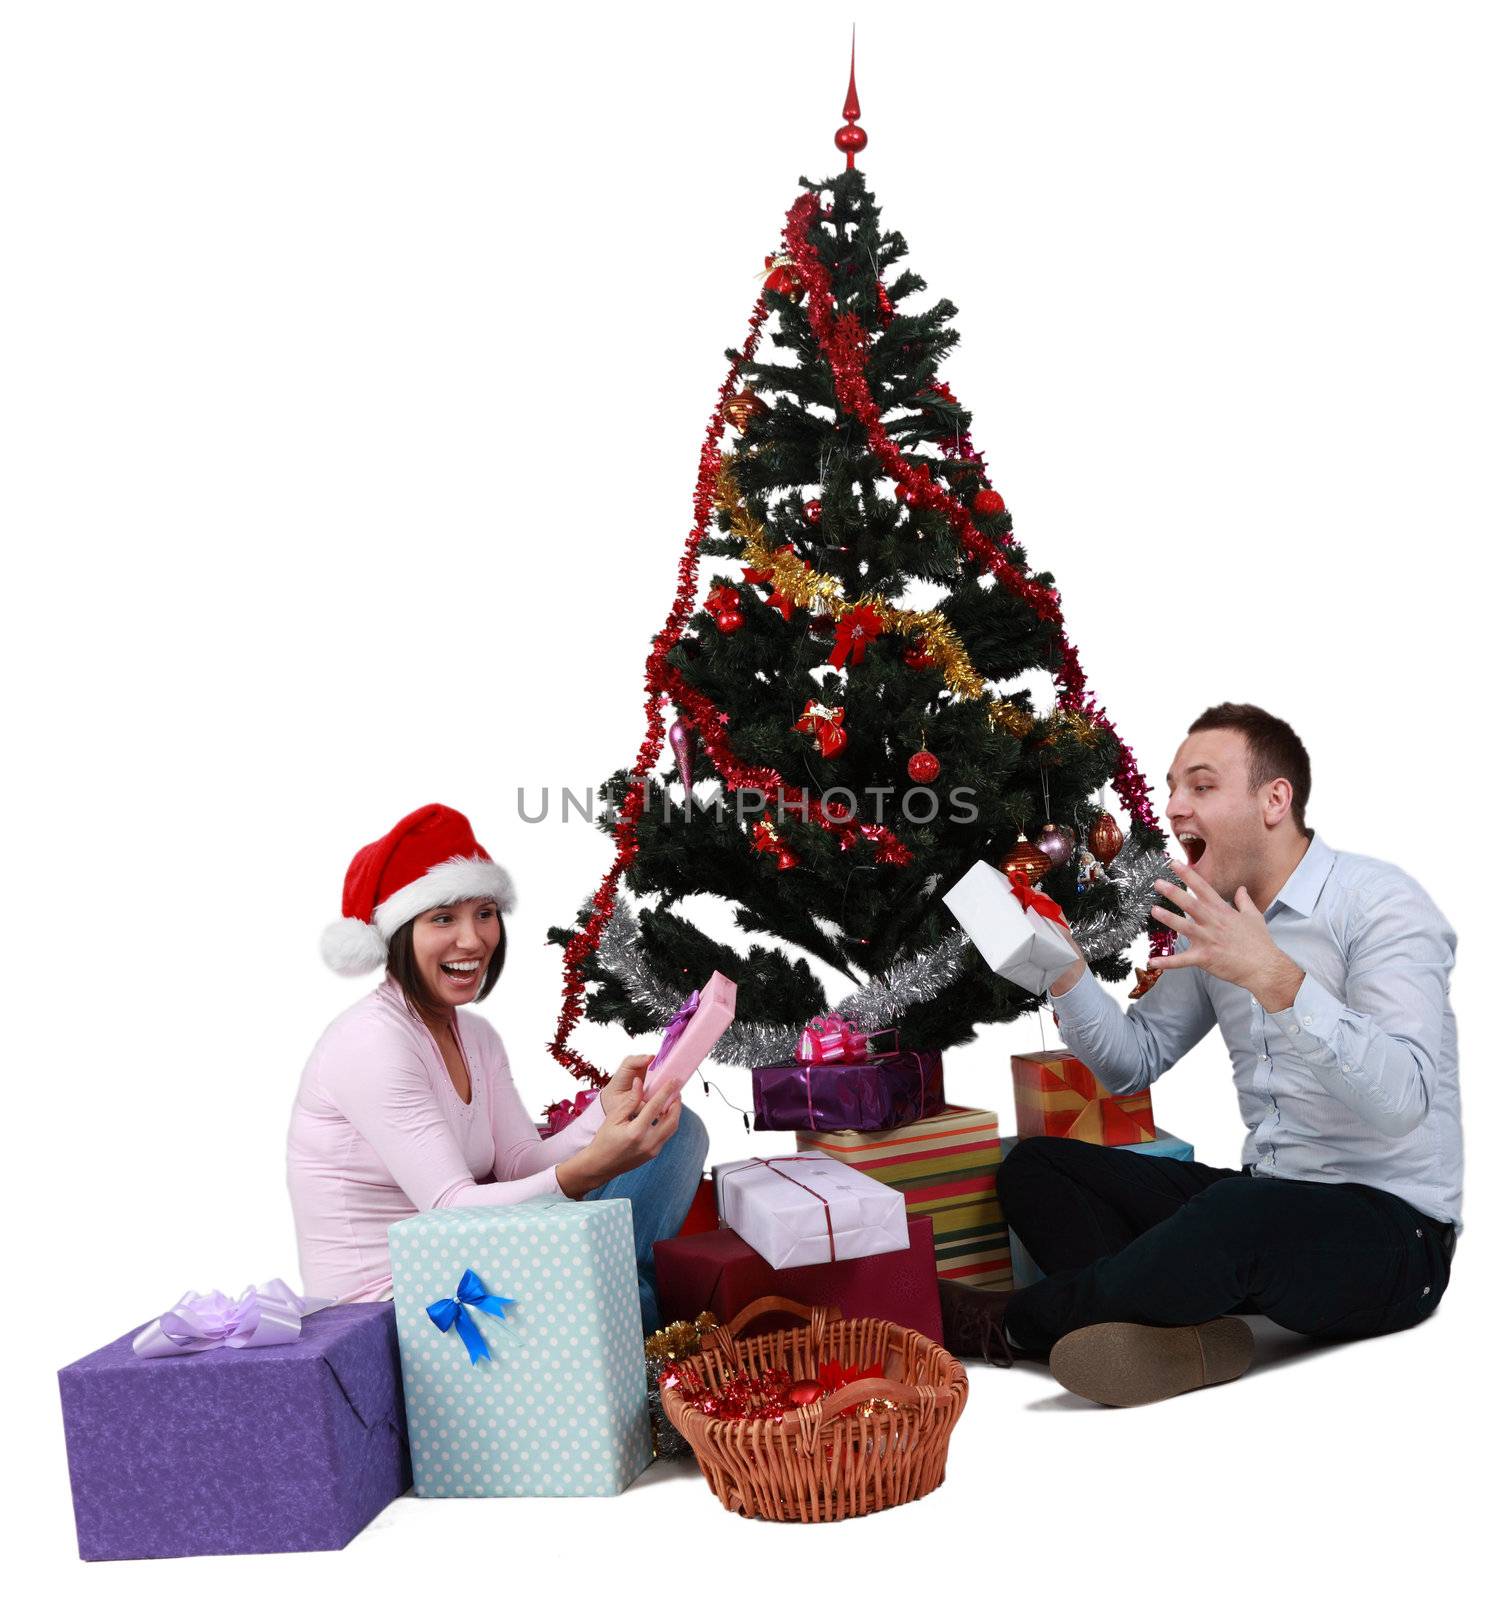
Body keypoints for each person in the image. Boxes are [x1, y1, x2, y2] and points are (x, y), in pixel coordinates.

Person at [940, 704, 1461, 1405]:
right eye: (1173, 786)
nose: (1174, 805)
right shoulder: (1216, 913)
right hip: (1268, 1195)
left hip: (1397, 1236)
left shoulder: (1381, 905)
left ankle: (1014, 1325)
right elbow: (1133, 1061)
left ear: (1276, 800)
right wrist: (1064, 974)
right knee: (1037, 1169)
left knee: (1235, 1217)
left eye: (1203, 786)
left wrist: (1275, 978)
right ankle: (1167, 1329)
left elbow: (1405, 1103)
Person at [287, 802, 708, 1329]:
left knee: (679, 1132)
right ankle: (629, 1312)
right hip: (406, 1307)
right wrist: (589, 1170)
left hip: (472, 1260)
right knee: (621, 1296)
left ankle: (625, 1304)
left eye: (484, 913)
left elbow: (516, 1163)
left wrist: (607, 1109)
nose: (474, 939)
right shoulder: (372, 1042)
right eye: (443, 918)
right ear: (398, 935)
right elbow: (450, 1211)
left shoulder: (475, 1037)